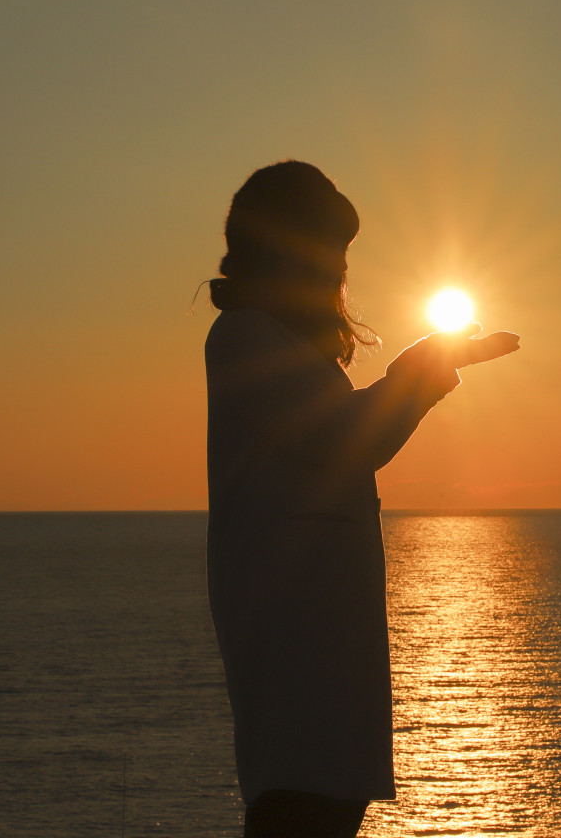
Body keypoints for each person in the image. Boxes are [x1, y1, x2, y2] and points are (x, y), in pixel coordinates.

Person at [204, 160, 519, 838]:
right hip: (296, 672)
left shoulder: (284, 346)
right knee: (298, 813)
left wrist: (429, 371)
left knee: (324, 808)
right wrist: (423, 369)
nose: (337, 276)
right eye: (327, 255)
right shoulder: (244, 337)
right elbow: (344, 440)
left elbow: (347, 442)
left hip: (322, 671)